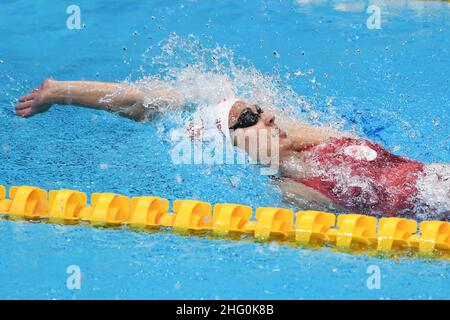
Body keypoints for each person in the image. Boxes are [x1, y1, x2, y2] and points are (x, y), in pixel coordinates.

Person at [15, 78, 450, 220]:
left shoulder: (299, 137)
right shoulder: (297, 191)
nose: (269, 117)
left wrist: (63, 91)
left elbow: (146, 100)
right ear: (231, 149)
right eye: (249, 120)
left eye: (259, 110)